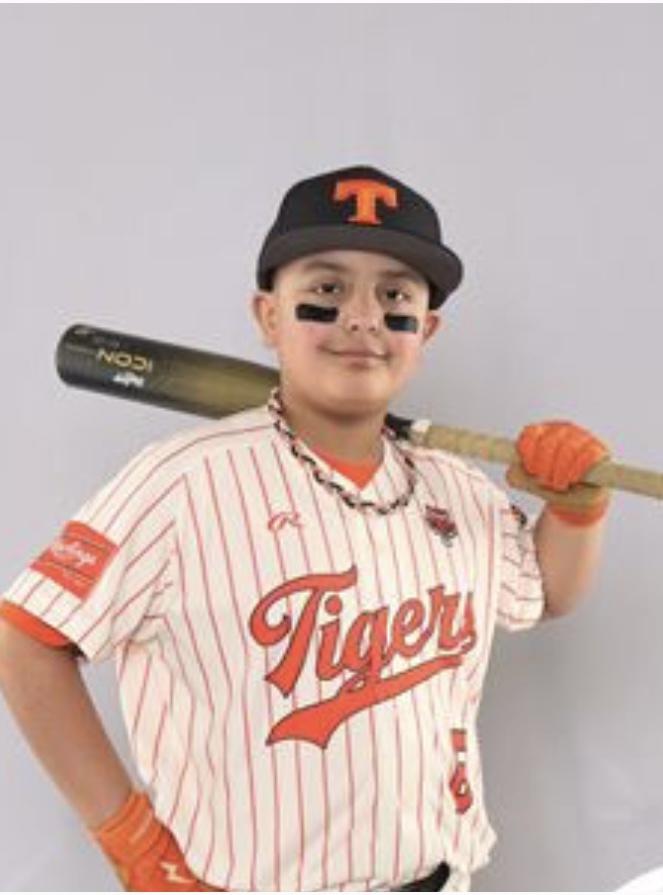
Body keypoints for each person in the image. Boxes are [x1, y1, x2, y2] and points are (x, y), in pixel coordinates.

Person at [0, 165, 610, 892]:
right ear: (269, 317)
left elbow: (546, 590)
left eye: (395, 297)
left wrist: (575, 510)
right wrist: (131, 840)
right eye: (327, 290)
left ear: (426, 330)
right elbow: (25, 640)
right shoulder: (179, 482)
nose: (362, 318)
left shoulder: (455, 485)